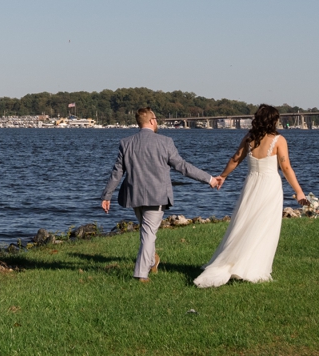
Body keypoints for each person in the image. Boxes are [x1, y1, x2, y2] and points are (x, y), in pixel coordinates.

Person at [194, 104, 305, 288]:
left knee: (244, 223)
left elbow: (235, 159)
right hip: (270, 186)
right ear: (273, 121)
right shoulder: (279, 140)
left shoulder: (249, 138)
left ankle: (238, 262)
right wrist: (299, 191)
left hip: (251, 185)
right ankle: (253, 268)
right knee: (264, 226)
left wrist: (223, 175)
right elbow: (286, 167)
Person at [100, 107, 218, 282]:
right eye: (156, 119)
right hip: (157, 195)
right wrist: (209, 179)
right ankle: (141, 273)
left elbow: (117, 173)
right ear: (152, 121)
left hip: (134, 195)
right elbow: (182, 166)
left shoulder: (126, 142)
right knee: (148, 234)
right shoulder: (165, 142)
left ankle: (152, 261)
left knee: (147, 232)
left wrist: (106, 196)